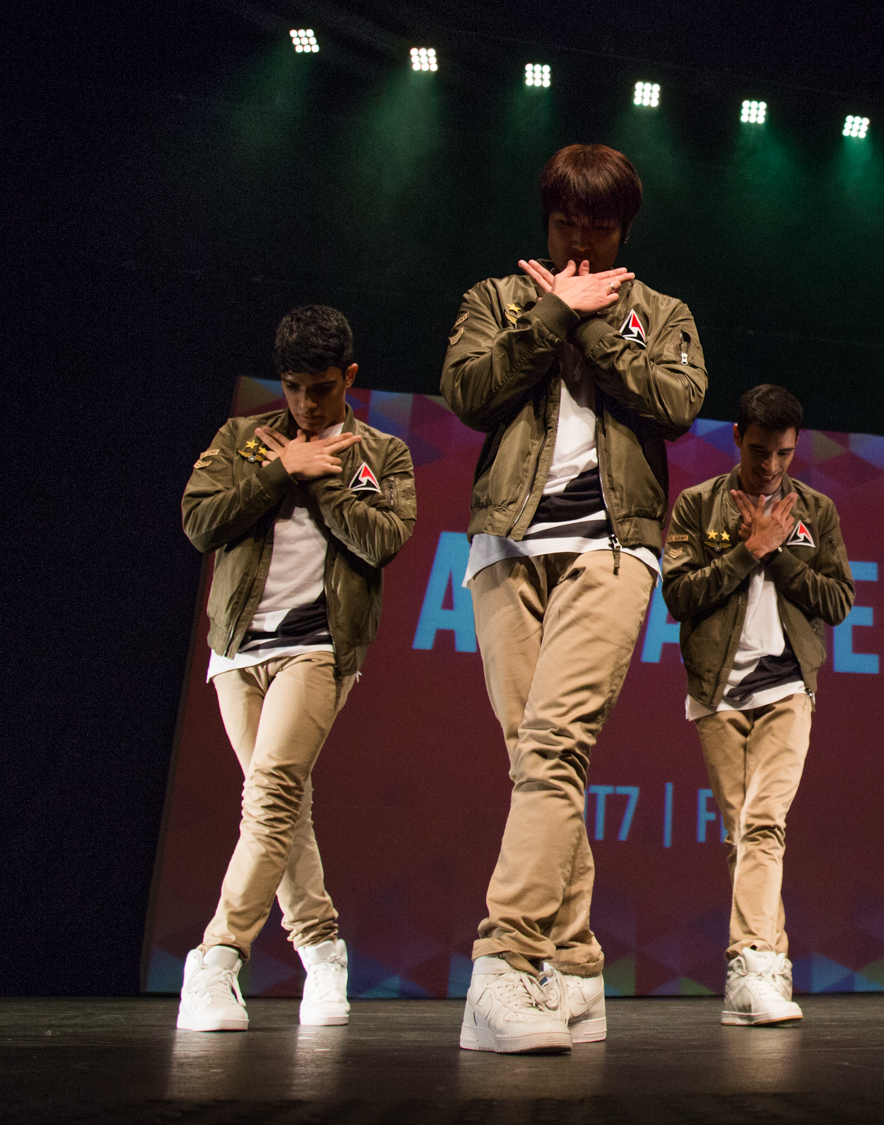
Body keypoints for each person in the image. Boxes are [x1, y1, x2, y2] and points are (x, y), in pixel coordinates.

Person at [442, 143, 707, 1053]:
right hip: (504, 545)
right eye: (566, 225)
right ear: (546, 219)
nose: (581, 242)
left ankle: (504, 967)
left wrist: (592, 325)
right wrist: (552, 311)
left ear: (624, 226)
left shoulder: (661, 313)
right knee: (534, 760)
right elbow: (469, 392)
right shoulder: (498, 298)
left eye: (599, 227)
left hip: (613, 544)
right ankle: (579, 968)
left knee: (555, 743)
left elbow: (676, 401)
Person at [176, 305, 417, 1032]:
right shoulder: (242, 441)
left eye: (321, 388)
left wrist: (322, 479)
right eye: (293, 388)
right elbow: (199, 521)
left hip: (319, 645)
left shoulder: (385, 454)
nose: (307, 404)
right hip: (238, 648)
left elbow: (383, 540)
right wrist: (281, 468)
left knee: (273, 792)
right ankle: (321, 947)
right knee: (282, 806)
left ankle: (217, 955)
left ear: (348, 377)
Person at [662, 385, 854, 1026]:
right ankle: (771, 966)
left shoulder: (817, 511)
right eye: (759, 451)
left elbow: (839, 602)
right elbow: (679, 596)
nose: (771, 466)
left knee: (763, 823)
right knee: (743, 832)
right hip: (717, 692)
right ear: (737, 436)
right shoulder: (697, 505)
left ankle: (748, 963)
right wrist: (747, 551)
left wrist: (780, 554)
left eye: (784, 454)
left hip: (787, 687)